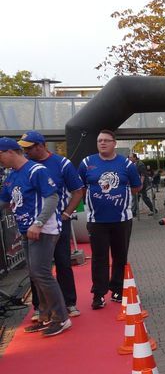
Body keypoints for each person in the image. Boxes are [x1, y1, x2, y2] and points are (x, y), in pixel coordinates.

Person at [0, 138, 72, 337]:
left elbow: (53, 197)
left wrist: (39, 222)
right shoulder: (12, 176)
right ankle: (45, 315)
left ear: (10, 152)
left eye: (0, 155)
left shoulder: (36, 170)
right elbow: (3, 200)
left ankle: (61, 317)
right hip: (26, 230)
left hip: (43, 229)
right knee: (35, 274)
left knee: (41, 273)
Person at [18, 131, 84, 320]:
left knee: (63, 262)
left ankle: (69, 303)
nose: (26, 152)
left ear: (41, 145)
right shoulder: (25, 165)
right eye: (23, 148)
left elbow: (78, 191)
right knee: (36, 267)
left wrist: (66, 214)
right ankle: (40, 307)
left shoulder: (62, 164)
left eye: (29, 148)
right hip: (34, 224)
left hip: (57, 221)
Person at [78, 130, 142, 309]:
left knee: (120, 256)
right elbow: (80, 187)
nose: (102, 143)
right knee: (99, 258)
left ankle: (117, 290)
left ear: (114, 143)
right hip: (96, 221)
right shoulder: (87, 163)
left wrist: (119, 196)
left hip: (121, 220)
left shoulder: (126, 164)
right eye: (99, 140)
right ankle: (98, 294)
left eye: (106, 140)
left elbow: (136, 187)